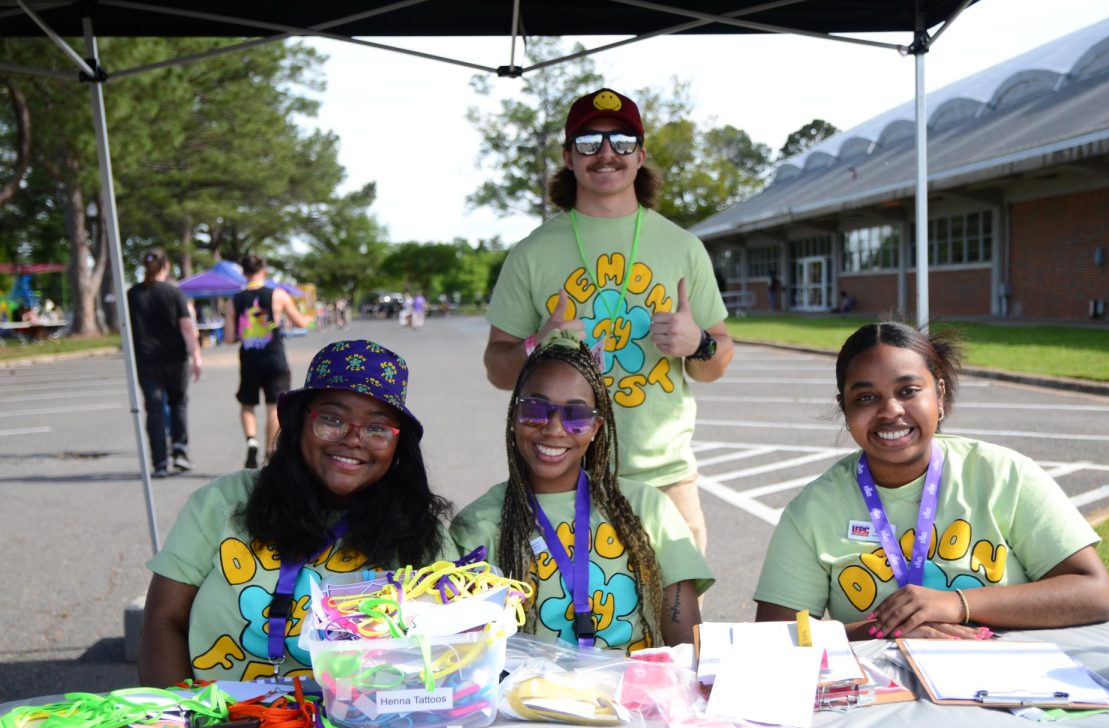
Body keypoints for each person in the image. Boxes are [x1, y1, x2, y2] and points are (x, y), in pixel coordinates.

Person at [483, 87, 734, 556]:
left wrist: (697, 342)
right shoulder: (532, 252)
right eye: (588, 142)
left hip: (664, 478)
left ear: (640, 156)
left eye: (620, 141)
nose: (604, 153)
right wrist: (535, 346)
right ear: (568, 156)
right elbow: (497, 368)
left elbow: (716, 360)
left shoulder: (683, 247)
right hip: (559, 475)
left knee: (677, 627)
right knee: (555, 624)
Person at [754, 321, 1109, 640]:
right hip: (885, 700)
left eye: (908, 391)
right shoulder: (812, 511)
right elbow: (772, 637)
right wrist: (885, 630)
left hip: (1005, 683)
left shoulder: (1003, 474)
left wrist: (956, 604)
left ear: (939, 395)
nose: (891, 410)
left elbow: (1095, 594)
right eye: (866, 397)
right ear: (845, 408)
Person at [138, 339, 457, 686]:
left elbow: (451, 650)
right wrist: (178, 721)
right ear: (298, 423)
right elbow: (163, 619)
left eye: (377, 428)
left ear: (398, 446)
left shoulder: (420, 534)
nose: (353, 439)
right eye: (332, 419)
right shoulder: (221, 501)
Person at [453, 334, 711, 652]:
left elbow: (685, 638)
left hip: (634, 696)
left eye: (576, 416)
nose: (554, 428)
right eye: (536, 408)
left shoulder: (647, 507)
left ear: (596, 428)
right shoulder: (479, 525)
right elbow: (467, 652)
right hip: (528, 699)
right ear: (514, 417)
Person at [225, 254, 312, 469]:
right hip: (275, 358)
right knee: (273, 407)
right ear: (264, 271)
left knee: (247, 404)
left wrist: (244, 333)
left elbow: (228, 338)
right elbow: (301, 322)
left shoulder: (234, 300)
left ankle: (251, 442)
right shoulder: (278, 295)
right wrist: (310, 317)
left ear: (244, 273)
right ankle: (270, 454)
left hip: (249, 360)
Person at [127, 249, 202, 478]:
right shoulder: (174, 293)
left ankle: (159, 461)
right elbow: (187, 328)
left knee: (154, 408)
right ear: (166, 266)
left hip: (146, 360)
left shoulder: (133, 295)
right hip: (175, 359)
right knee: (178, 402)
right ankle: (180, 451)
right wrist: (196, 355)